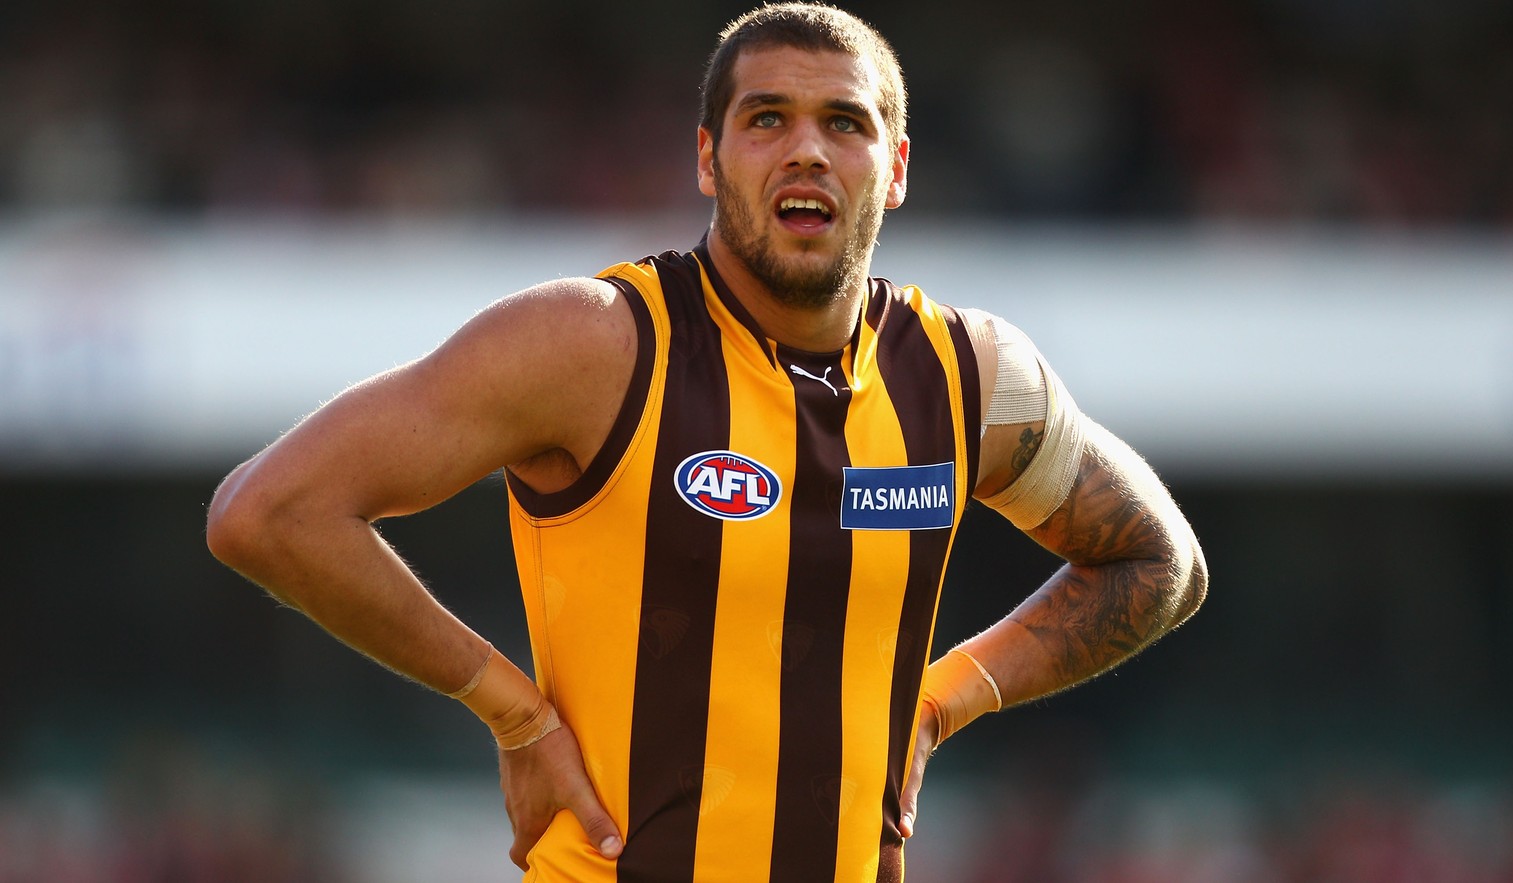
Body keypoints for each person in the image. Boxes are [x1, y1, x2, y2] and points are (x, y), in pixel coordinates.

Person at [205, 4, 1207, 881]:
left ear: (895, 169)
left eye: (845, 124)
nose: (806, 150)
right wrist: (510, 708)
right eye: (766, 119)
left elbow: (1162, 561)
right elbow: (269, 512)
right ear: (706, 158)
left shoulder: (967, 376)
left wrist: (940, 704)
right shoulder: (593, 344)